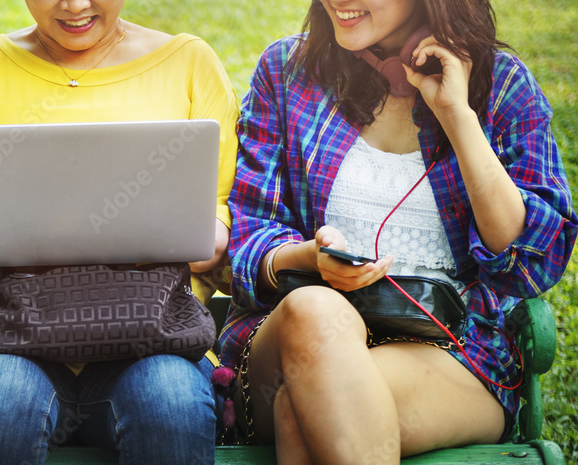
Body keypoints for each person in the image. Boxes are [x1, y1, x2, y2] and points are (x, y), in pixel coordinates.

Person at [217, 0, 576, 462]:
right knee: (315, 309)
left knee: (304, 411)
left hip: (454, 352)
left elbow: (531, 262)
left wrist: (456, 114)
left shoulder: (501, 84)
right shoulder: (287, 71)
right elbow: (248, 243)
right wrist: (307, 258)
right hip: (287, 346)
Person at [0, 0, 239, 463]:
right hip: (8, 344)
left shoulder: (189, 63)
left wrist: (48, 230)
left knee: (172, 404)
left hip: (149, 344)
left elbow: (212, 241)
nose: (74, 6)